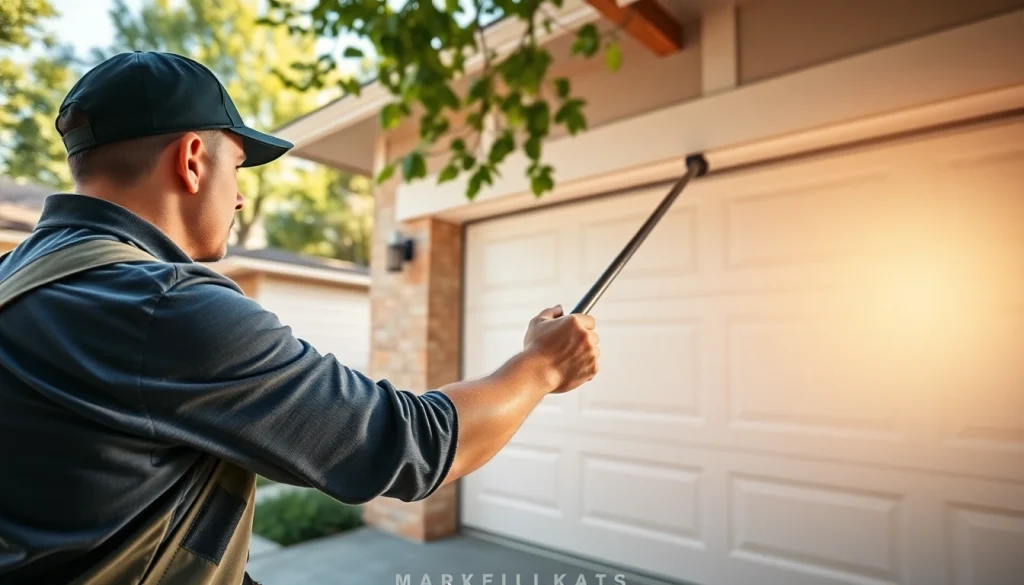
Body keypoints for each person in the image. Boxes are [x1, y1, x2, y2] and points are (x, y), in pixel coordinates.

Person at [0, 51, 600, 585]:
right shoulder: (164, 305)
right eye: (236, 169)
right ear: (190, 160)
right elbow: (412, 446)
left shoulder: (19, 277)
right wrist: (542, 365)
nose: (238, 198)